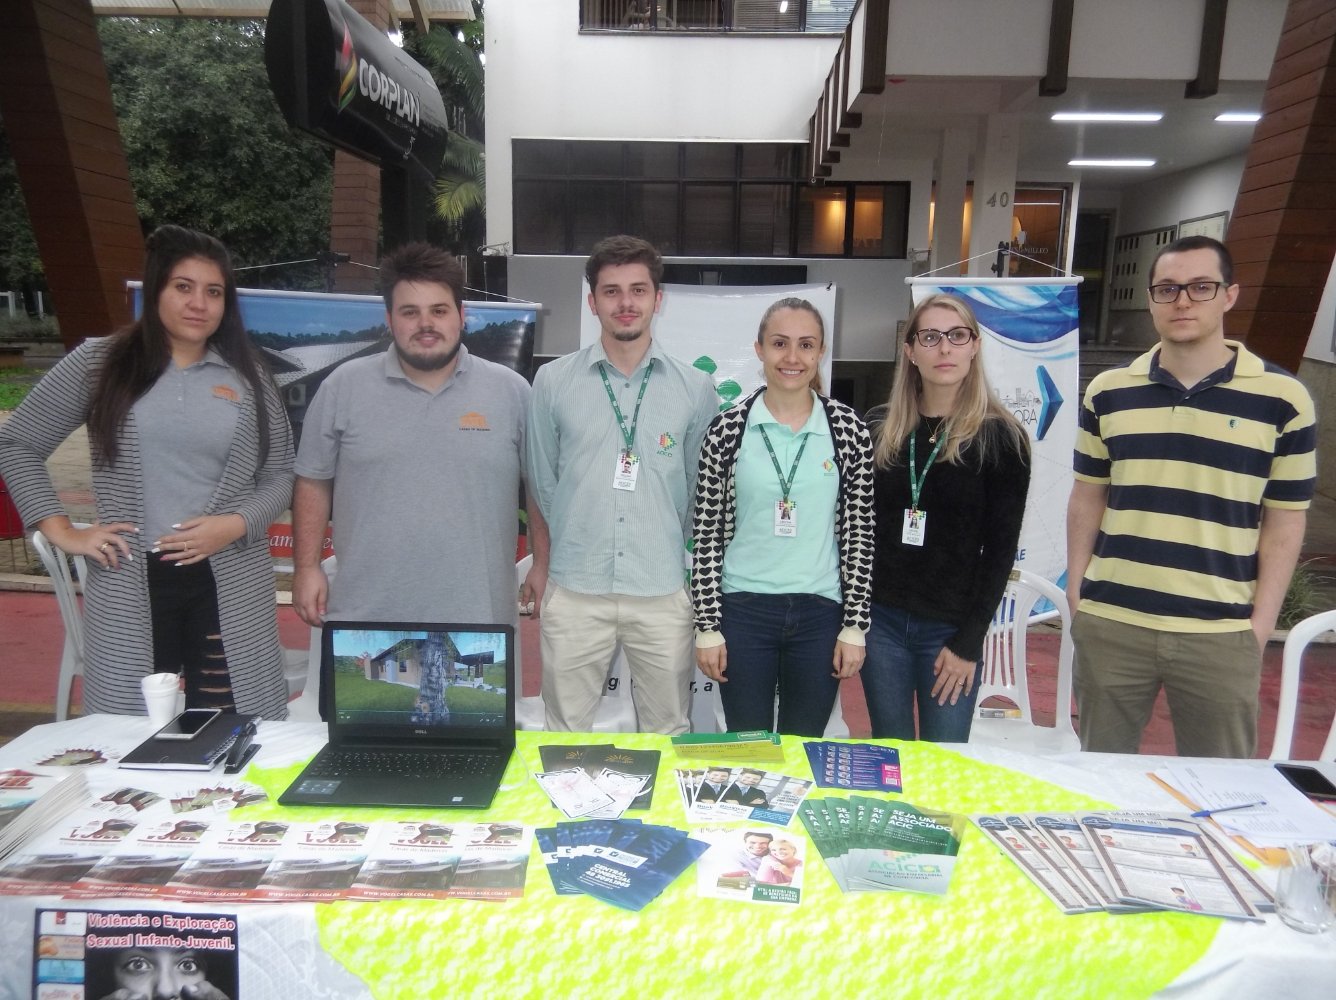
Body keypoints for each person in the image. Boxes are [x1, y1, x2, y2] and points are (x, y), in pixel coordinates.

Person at [0, 225, 294, 719]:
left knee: (231, 729)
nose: (199, 303)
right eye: (184, 286)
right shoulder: (102, 363)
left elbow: (280, 472)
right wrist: (63, 532)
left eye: (214, 291)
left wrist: (234, 525)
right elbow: (17, 441)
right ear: (156, 288)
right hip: (130, 580)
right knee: (130, 737)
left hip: (229, 582)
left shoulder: (248, 375)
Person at [1067, 235, 1315, 758]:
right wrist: (1080, 596)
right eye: (1168, 289)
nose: (1182, 301)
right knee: (1101, 781)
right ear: (1152, 299)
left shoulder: (1283, 398)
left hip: (1221, 632)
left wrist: (1260, 624)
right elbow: (1088, 496)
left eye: (1200, 287)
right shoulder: (1108, 391)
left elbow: (1285, 522)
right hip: (1114, 623)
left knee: (1223, 790)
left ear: (1230, 295)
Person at [292, 242, 545, 628]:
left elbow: (539, 487)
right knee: (379, 687)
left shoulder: (512, 392)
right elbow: (313, 481)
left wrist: (543, 563)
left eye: (439, 311)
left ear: (461, 316)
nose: (426, 324)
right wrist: (306, 566)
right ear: (390, 320)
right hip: (365, 617)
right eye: (410, 312)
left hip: (480, 618)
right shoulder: (343, 387)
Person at [526, 235, 717, 734]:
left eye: (638, 290)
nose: (626, 303)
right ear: (593, 302)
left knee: (668, 730)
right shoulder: (551, 382)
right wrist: (545, 563)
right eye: (611, 292)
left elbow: (701, 491)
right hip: (574, 586)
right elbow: (543, 483)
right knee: (564, 730)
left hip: (660, 587)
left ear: (659, 298)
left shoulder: (695, 388)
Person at [691, 297, 875, 736]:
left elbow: (860, 532)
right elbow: (706, 532)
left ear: (820, 352)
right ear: (759, 349)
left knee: (803, 748)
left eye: (806, 345)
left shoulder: (848, 429)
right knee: (748, 747)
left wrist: (855, 625)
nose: (792, 358)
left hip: (819, 613)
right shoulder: (727, 429)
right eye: (779, 343)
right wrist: (707, 626)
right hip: (742, 612)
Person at [860, 293, 1031, 741]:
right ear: (910, 351)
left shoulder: (1002, 438)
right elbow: (857, 530)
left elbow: (999, 552)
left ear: (974, 346)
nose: (944, 348)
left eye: (957, 336)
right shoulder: (880, 429)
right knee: (890, 755)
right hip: (882, 624)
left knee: (944, 760)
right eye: (930, 337)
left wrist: (968, 642)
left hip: (950, 631)